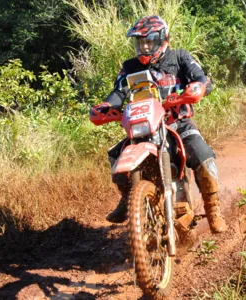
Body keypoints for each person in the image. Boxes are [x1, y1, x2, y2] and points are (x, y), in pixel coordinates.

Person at [92, 15, 227, 233]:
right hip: (144, 127)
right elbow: (118, 92)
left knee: (204, 156)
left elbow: (202, 80)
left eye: (148, 42)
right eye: (140, 43)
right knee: (116, 156)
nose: (144, 47)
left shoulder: (180, 57)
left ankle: (213, 211)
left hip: (178, 124)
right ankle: (129, 198)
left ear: (162, 39)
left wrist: (198, 88)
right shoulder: (129, 67)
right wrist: (106, 106)